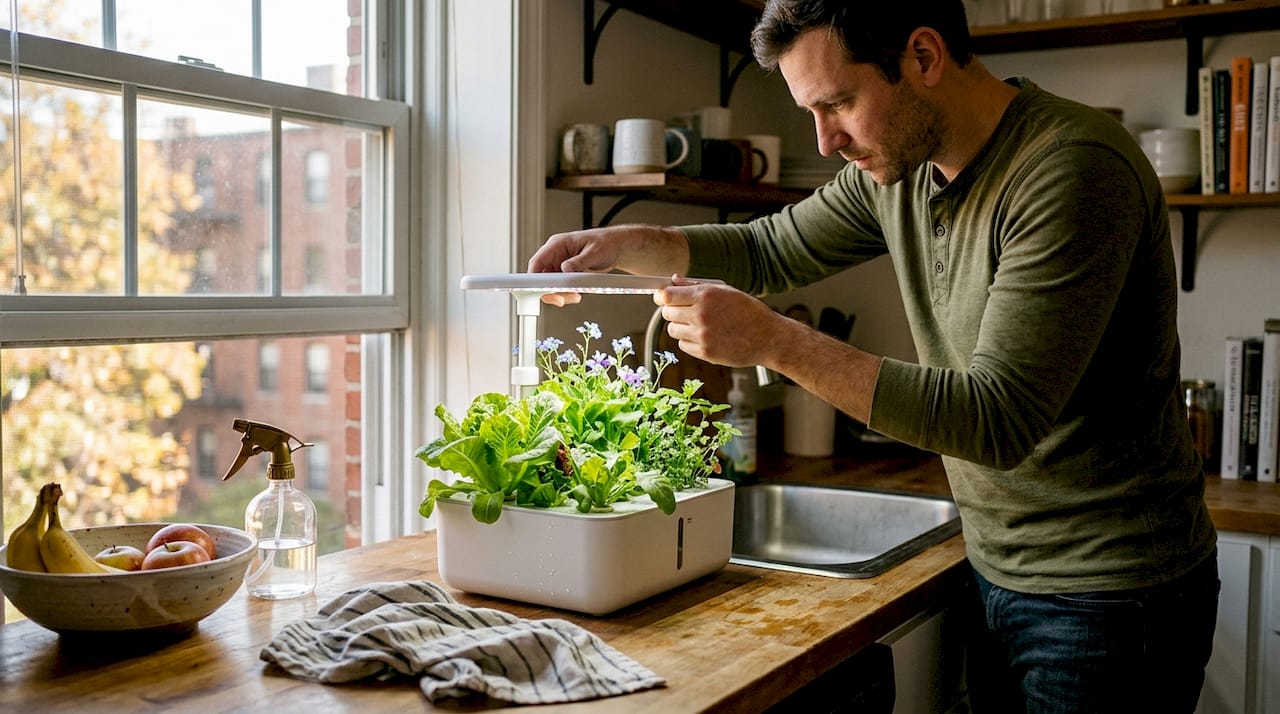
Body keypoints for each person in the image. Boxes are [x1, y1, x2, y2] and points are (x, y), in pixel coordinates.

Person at [529, 2, 1219, 712]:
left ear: (922, 57)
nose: (825, 141)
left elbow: (998, 418)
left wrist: (775, 340)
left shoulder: (1072, 169)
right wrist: (621, 248)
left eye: (838, 104)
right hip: (995, 571)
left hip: (1114, 598)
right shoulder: (902, 171)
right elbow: (769, 248)